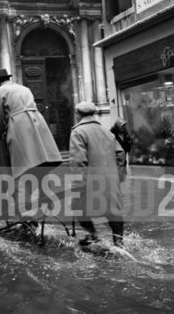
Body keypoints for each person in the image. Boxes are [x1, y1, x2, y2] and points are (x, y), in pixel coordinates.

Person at [0, 68, 62, 217]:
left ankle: (26, 209)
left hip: (19, 125)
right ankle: (45, 194)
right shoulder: (24, 88)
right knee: (41, 159)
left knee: (23, 166)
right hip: (37, 122)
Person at [69, 102, 125, 247]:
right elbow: (120, 154)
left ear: (78, 115)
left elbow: (78, 162)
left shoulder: (78, 132)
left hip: (91, 182)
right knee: (113, 210)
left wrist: (78, 186)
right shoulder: (106, 131)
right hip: (110, 180)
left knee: (78, 208)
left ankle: (93, 235)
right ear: (93, 114)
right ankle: (118, 241)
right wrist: (117, 176)